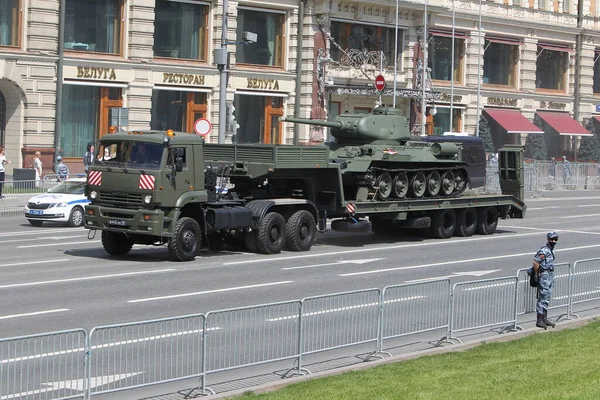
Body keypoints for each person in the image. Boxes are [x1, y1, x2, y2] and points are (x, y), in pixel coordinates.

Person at [532, 231, 559, 329]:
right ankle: (539, 320)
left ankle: (544, 318)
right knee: (542, 297)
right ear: (548, 239)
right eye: (552, 239)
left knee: (547, 296)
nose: (553, 241)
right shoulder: (544, 250)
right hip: (544, 275)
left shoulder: (552, 250)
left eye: (555, 239)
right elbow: (535, 262)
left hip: (550, 274)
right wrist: (537, 274)